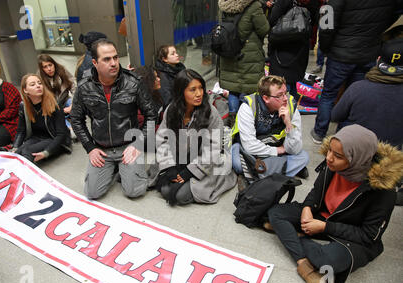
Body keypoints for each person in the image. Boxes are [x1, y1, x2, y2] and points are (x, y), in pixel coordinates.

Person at [268, 124, 403, 283]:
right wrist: (308, 208)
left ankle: (293, 236)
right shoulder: (332, 164)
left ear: (358, 159)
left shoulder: (383, 192)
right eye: (329, 150)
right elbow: (316, 191)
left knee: (326, 261)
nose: (329, 158)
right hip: (322, 216)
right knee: (276, 212)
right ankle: (307, 269)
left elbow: (369, 236)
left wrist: (325, 228)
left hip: (351, 235)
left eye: (337, 155)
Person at [71, 38, 157, 200]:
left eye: (115, 57)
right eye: (107, 59)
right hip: (102, 149)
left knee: (134, 192)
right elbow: (76, 119)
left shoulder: (133, 83)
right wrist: (90, 148)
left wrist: (138, 144)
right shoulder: (84, 87)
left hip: (128, 145)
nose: (113, 63)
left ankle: (125, 170)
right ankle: (116, 169)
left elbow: (152, 114)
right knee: (92, 193)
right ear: (95, 63)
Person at [310, 0, 398, 144]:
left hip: (340, 54)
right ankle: (346, 135)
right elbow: (395, 13)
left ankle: (320, 132)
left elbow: (326, 24)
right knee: (357, 96)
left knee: (328, 95)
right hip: (367, 52)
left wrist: (325, 48)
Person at [155, 69, 237, 205]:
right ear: (181, 92)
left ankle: (225, 178)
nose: (199, 94)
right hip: (179, 158)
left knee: (180, 196)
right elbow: (162, 139)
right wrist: (169, 167)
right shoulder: (171, 109)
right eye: (192, 90)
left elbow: (213, 149)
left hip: (205, 162)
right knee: (165, 190)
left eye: (201, 88)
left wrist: (188, 172)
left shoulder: (211, 113)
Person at [231, 75, 309, 189]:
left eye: (285, 93)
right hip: (252, 153)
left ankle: (254, 177)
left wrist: (288, 124)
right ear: (266, 98)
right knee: (237, 163)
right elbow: (249, 146)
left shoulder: (291, 106)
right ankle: (284, 169)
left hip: (274, 151)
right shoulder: (248, 107)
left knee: (304, 156)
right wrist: (277, 151)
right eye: (279, 96)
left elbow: (294, 149)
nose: (285, 99)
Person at [331, 37, 403, 149]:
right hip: (393, 157)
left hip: (356, 152)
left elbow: (335, 116)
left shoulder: (357, 88)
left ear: (378, 60)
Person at [218, 0, 270, 127]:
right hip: (249, 54)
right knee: (251, 89)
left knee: (233, 89)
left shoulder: (225, 5)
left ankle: (233, 118)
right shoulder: (254, 6)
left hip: (229, 51)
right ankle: (249, 119)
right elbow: (264, 29)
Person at [12, 74, 71, 163]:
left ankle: (26, 176)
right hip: (36, 138)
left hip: (54, 139)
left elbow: (61, 134)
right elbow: (21, 130)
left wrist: (46, 153)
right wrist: (15, 148)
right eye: (33, 84)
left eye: (39, 83)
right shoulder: (23, 106)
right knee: (17, 154)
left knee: (27, 151)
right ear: (25, 90)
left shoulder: (55, 104)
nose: (38, 86)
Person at [268, 0, 319, 101]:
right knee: (292, 84)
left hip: (281, 49)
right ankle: (292, 111)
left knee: (282, 87)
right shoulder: (312, 3)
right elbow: (314, 22)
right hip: (300, 50)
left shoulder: (283, 2)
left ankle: (286, 113)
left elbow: (272, 21)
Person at [37, 54, 76, 138]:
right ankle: (69, 128)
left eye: (50, 65)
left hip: (65, 99)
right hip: (52, 105)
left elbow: (74, 86)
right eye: (45, 67)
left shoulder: (62, 70)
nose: (49, 69)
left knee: (75, 106)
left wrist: (73, 104)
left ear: (54, 64)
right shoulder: (39, 78)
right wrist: (60, 110)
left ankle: (77, 125)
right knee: (57, 115)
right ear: (42, 69)